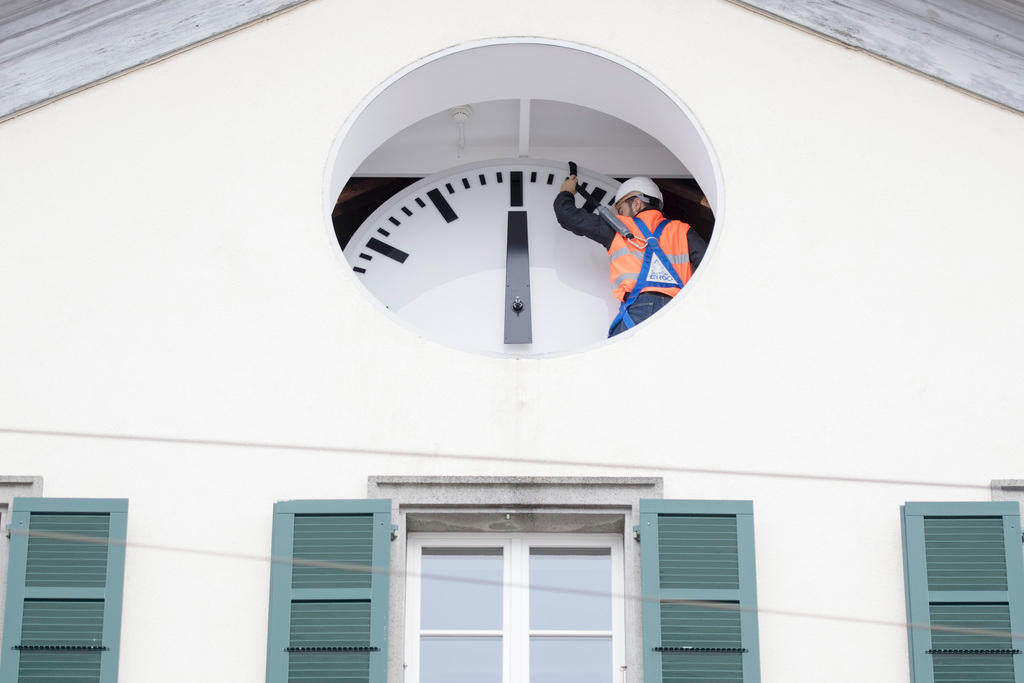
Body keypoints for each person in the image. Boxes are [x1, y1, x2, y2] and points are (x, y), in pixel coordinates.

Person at [553, 175, 707, 336]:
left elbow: (567, 215)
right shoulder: (682, 230)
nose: (620, 216)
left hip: (639, 311)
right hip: (676, 312)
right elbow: (710, 266)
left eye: (621, 210)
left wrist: (566, 191)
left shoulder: (619, 227)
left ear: (636, 204)